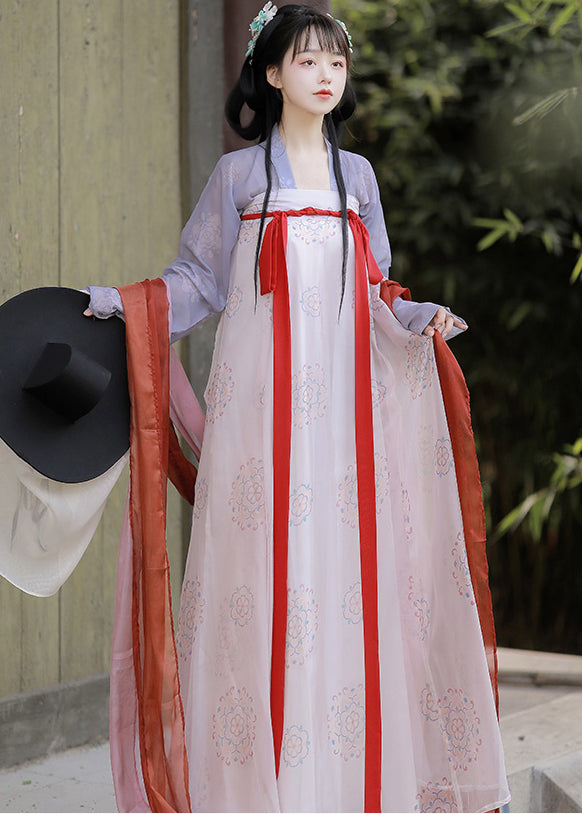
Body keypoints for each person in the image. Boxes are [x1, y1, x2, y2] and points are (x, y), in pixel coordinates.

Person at [87, 4, 510, 812]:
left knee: (347, 580)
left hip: (345, 424)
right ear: (273, 73)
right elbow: (198, 282)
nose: (325, 75)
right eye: (308, 61)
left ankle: (342, 788)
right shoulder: (239, 178)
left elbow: (379, 291)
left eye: (337, 63)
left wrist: (418, 316)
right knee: (262, 579)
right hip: (261, 421)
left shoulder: (360, 180)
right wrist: (125, 304)